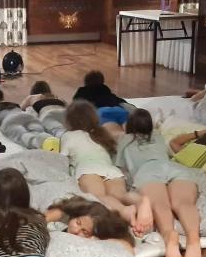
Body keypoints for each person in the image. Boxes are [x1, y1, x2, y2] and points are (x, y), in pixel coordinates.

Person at [116, 109, 204, 257]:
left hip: (147, 170)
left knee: (160, 204)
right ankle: (193, 239)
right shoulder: (158, 135)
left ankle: (169, 235)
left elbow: (120, 167)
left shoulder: (125, 139)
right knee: (183, 202)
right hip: (173, 167)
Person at [60, 100, 153, 235]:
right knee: (121, 195)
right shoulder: (101, 134)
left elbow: (62, 159)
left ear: (69, 120)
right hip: (111, 170)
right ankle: (142, 200)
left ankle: (124, 210)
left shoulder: (69, 136)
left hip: (87, 168)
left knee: (99, 196)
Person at [45, 196, 134, 249]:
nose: (76, 231)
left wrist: (98, 241)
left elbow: (127, 246)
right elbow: (41, 219)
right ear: (73, 216)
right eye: (78, 223)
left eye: (85, 232)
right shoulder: (60, 218)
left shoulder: (97, 239)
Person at [0, 87, 58, 151]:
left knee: (22, 135)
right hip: (25, 115)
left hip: (9, 120)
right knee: (37, 129)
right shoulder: (11, 104)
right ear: (2, 97)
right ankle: (48, 138)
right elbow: (21, 108)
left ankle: (38, 143)